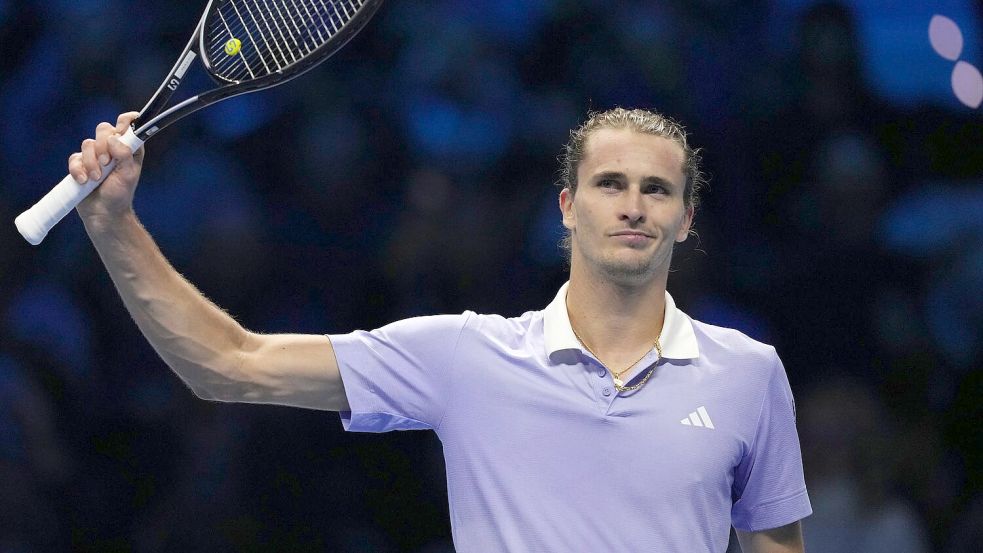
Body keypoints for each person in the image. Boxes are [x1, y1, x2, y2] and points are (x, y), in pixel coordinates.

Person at [70, 107, 811, 552]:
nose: (633, 206)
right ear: (566, 205)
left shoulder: (747, 371)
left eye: (657, 190)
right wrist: (113, 225)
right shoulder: (465, 355)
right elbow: (229, 363)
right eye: (609, 183)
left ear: (684, 218)